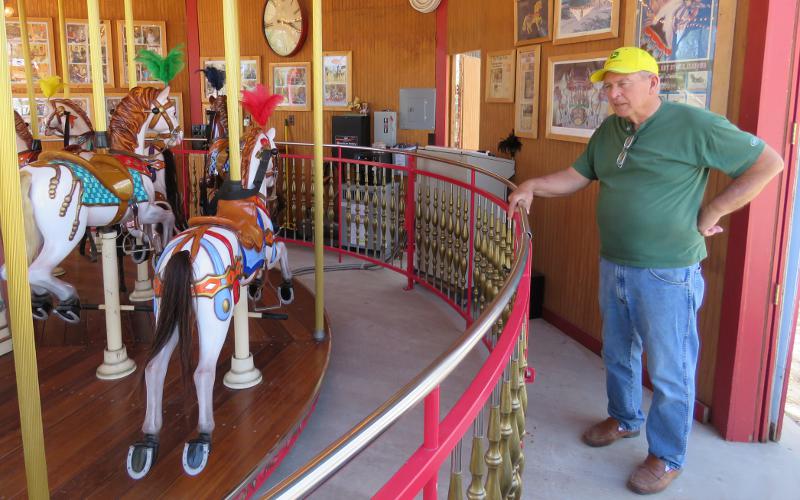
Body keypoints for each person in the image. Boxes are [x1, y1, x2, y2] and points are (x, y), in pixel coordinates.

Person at [507, 47, 783, 495]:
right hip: (614, 262)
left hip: (668, 272)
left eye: (623, 83)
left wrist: (715, 205)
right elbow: (578, 176)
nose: (613, 94)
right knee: (618, 352)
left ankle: (668, 454)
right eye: (608, 86)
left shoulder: (694, 124)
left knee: (672, 369)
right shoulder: (611, 130)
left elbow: (770, 162)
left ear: (653, 84)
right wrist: (535, 184)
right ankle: (625, 417)